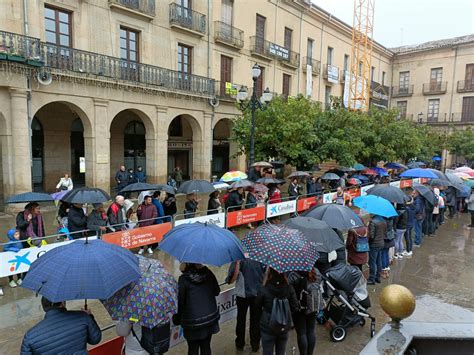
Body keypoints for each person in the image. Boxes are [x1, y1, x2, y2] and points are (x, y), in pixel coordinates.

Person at [21, 297, 101, 354]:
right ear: (62, 303)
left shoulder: (30, 336)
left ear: (44, 308)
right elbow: (95, 339)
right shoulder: (83, 317)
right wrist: (89, 316)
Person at [174, 263, 220, 355]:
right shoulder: (208, 273)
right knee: (206, 346)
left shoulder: (183, 279)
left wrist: (177, 318)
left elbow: (180, 302)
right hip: (209, 318)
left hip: (192, 322)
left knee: (193, 349)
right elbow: (217, 291)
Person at [226, 258, 266, 352]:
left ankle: (240, 343)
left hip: (242, 295)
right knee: (256, 320)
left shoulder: (238, 258)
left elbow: (230, 280)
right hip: (257, 294)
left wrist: (237, 264)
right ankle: (255, 344)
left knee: (241, 319)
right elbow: (266, 276)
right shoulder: (262, 257)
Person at [256, 268, 298, 355]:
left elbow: (257, 308)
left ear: (269, 272)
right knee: (281, 352)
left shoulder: (264, 288)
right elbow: (295, 307)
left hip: (267, 325)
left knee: (267, 352)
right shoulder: (289, 287)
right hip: (284, 325)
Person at [289, 268, 320, 355]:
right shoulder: (316, 272)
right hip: (313, 305)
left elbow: (290, 292)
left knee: (302, 333)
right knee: (311, 331)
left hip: (299, 308)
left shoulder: (293, 276)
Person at [367, 214, 387, 285]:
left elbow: (371, 236)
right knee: (379, 261)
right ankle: (378, 277)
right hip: (381, 243)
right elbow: (385, 233)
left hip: (374, 244)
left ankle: (372, 279)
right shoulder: (384, 221)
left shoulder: (372, 222)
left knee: (372, 262)